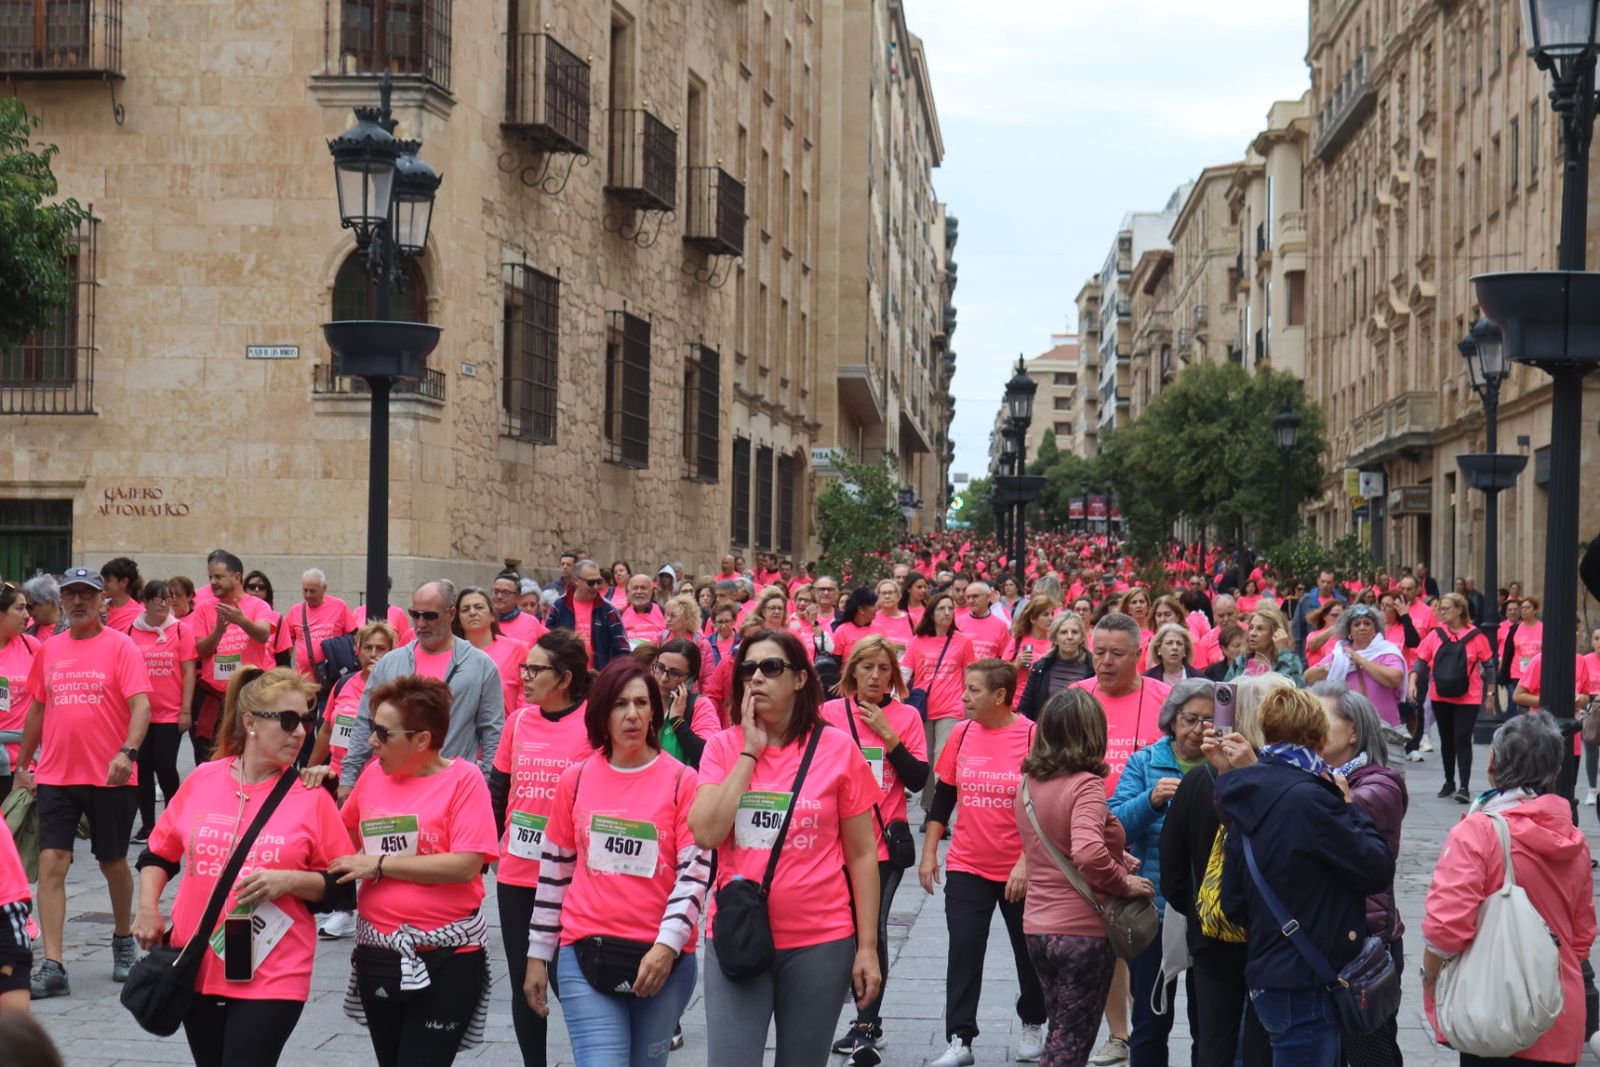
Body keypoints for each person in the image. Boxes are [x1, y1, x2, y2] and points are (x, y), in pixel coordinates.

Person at [132, 667, 352, 1067]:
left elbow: (342, 886)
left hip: (274, 968)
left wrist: (288, 880)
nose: (300, 732)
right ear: (250, 722)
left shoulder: (311, 795)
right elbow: (158, 855)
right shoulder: (203, 779)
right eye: (287, 721)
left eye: (306, 720)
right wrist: (148, 907)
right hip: (198, 961)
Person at [688, 628, 883, 1067]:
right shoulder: (722, 747)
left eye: (770, 667)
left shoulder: (837, 748)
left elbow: (862, 854)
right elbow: (705, 832)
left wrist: (867, 946)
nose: (756, 678)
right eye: (748, 669)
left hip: (821, 940)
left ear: (798, 679)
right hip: (738, 933)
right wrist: (749, 754)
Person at [523, 659, 711, 1067]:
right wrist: (538, 956)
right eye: (620, 704)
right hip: (585, 950)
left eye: (642, 703)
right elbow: (554, 873)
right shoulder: (575, 779)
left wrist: (666, 947)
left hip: (663, 958)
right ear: (601, 713)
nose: (632, 715)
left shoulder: (682, 781)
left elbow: (694, 874)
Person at [327, 675, 501, 1067]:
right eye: (372, 729)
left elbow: (467, 863)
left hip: (448, 954)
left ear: (421, 740)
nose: (372, 741)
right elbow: (340, 837)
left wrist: (382, 865)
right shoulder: (373, 775)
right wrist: (314, 793)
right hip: (378, 953)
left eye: (383, 733)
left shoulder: (464, 780)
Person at [1216, 688, 1395, 1066]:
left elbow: (1232, 902)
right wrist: (1348, 807)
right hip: (1308, 977)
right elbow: (1376, 867)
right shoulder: (1313, 798)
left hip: (1270, 971)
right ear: (1317, 737)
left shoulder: (1247, 791)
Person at [1421, 712, 1595, 1067]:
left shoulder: (1478, 831)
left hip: (1492, 1010)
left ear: (1493, 762)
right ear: (1556, 770)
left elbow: (1445, 929)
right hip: (1556, 1009)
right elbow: (1581, 937)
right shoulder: (1574, 840)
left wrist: (1430, 978)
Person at [13, 566, 150, 998]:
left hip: (110, 775)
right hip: (56, 773)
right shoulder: (49, 649)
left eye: (86, 595)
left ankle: (123, 940)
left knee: (113, 863)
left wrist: (127, 753)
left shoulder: (121, 646)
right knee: (53, 862)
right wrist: (23, 763)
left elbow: (141, 706)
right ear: (61, 600)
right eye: (70, 594)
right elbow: (37, 707)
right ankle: (53, 963)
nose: (77, 602)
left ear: (101, 601)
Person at [1020, 689, 1157, 1067]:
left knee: (1061, 1033)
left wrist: (1114, 855)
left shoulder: (1029, 781)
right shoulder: (1086, 784)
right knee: (1069, 1046)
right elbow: (1086, 852)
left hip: (1038, 927)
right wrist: (1121, 881)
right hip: (1080, 931)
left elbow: (1057, 844)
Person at [920, 659, 1044, 1067]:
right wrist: (929, 853)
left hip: (1019, 870)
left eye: (973, 690)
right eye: (965, 688)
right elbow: (944, 796)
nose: (964, 696)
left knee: (1029, 953)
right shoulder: (962, 732)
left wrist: (1026, 863)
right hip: (968, 863)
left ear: (1000, 696)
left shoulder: (1030, 735)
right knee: (964, 949)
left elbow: (1044, 806)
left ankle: (1032, 1021)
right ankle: (960, 1039)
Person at [485, 627, 594, 1067]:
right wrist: (488, 849)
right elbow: (499, 788)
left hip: (570, 876)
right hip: (517, 873)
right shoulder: (519, 721)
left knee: (568, 979)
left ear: (564, 678)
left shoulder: (591, 723)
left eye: (535, 669)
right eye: (524, 667)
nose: (523, 676)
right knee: (524, 982)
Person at [1158, 677, 1276, 1067]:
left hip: (1210, 931)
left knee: (1212, 1038)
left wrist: (1197, 909)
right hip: (1271, 933)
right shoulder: (1284, 780)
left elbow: (1172, 868)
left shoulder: (1196, 781)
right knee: (1263, 1039)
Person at [822, 635, 930, 1055]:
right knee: (841, 928)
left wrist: (889, 736)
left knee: (873, 929)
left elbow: (919, 779)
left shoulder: (906, 717)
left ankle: (867, 1023)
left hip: (883, 841)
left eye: (884, 669)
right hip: (833, 840)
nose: (875, 676)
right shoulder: (830, 712)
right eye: (867, 667)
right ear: (852, 670)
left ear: (894, 676)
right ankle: (846, 1006)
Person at [1110, 679, 1211, 1066]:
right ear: (1172, 720)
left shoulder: (1225, 762)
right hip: (1155, 911)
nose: (1198, 729)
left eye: (1207, 720)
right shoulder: (1146, 762)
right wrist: (1150, 800)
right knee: (1151, 1020)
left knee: (1210, 1023)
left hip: (1209, 912)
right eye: (1190, 719)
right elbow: (1115, 824)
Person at [1310, 682, 1407, 1067]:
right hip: (1326, 941)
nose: (1309, 729)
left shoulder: (1380, 785)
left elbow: (1324, 827)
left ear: (1353, 731)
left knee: (1370, 1057)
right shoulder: (1318, 778)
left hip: (1365, 949)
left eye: (1320, 720)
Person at [337, 580, 504, 797]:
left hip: (450, 790)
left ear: (451, 613)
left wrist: (485, 786)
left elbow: (492, 731)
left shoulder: (480, 665)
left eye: (430, 616)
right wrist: (349, 778)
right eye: (415, 614)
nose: (421, 623)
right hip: (392, 785)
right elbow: (364, 722)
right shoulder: (391, 662)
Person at [308, 620, 397, 942]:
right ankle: (343, 909)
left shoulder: (393, 687)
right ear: (357, 651)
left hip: (377, 775)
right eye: (368, 648)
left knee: (369, 841)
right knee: (337, 842)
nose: (373, 654)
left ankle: (378, 906)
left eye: (381, 649)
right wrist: (309, 766)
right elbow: (328, 729)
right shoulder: (343, 684)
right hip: (338, 772)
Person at [126, 579, 198, 843]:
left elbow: (189, 672)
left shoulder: (181, 631)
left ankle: (173, 818)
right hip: (141, 713)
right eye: (157, 598)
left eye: (168, 598)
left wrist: (186, 710)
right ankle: (147, 824)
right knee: (142, 768)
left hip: (171, 713)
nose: (164, 603)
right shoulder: (132, 632)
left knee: (165, 765)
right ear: (145, 603)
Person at [190, 551, 277, 764]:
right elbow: (200, 651)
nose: (212, 582)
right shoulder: (203, 609)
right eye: (210, 577)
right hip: (215, 696)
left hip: (248, 694)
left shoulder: (258, 606)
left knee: (247, 753)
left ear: (236, 577)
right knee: (209, 757)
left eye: (218, 577)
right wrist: (218, 632)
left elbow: (263, 634)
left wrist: (242, 621)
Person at [1072, 613, 1172, 793]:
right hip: (1082, 815)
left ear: (1137, 655)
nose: (1107, 661)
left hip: (1146, 816)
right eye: (1099, 652)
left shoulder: (1166, 699)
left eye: (1117, 653)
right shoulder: (1075, 697)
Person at [1410, 593, 1494, 803]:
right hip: (1440, 695)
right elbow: (1421, 660)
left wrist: (1490, 694)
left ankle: (1464, 786)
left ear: (1459, 610)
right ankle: (1449, 781)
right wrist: (1412, 680)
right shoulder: (1435, 634)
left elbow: (1490, 666)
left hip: (1469, 697)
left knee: (1462, 738)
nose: (1441, 612)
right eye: (1441, 608)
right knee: (1447, 740)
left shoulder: (1476, 636)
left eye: (1446, 608)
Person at [908, 591, 978, 814]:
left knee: (942, 759)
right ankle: (929, 808)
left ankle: (940, 813)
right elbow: (904, 672)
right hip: (924, 709)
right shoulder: (918, 641)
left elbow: (970, 675)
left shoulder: (963, 641)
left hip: (952, 708)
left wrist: (972, 704)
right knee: (926, 760)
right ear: (931, 613)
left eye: (950, 609)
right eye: (941, 608)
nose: (947, 612)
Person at [1304, 604, 1407, 742]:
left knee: (1381, 764)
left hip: (1384, 727)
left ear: (1375, 629)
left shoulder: (1388, 651)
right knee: (1356, 764)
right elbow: (1308, 678)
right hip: (1350, 728)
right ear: (1349, 632)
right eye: (1357, 624)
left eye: (1367, 623)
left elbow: (1395, 678)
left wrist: (1360, 660)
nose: (1362, 627)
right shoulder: (1340, 654)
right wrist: (1334, 666)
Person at [453, 586, 532, 721]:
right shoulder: (451, 654)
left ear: (492, 615)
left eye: (479, 607)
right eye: (465, 609)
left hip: (506, 732)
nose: (472, 613)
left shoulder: (517, 649)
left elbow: (531, 693)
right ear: (458, 620)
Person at [275, 569, 356, 682]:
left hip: (334, 676)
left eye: (313, 591)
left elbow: (353, 639)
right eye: (305, 590)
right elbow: (286, 647)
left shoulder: (340, 606)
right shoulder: (295, 611)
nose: (308, 595)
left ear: (324, 589)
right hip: (305, 680)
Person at [547, 560, 631, 669]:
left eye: (598, 581)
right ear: (576, 580)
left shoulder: (608, 609)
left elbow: (622, 647)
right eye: (591, 582)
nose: (595, 586)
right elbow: (547, 642)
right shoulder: (559, 606)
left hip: (599, 678)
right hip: (565, 676)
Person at [0, 586, 41, 799]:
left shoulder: (31, 645)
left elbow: (44, 699)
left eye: (27, 608)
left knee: (20, 829)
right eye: (20, 608)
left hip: (25, 760)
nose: (27, 615)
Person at [1017, 611, 1093, 722]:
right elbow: (1025, 710)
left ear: (1081, 637)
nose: (1070, 637)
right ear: (1054, 638)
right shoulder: (1040, 668)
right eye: (1063, 632)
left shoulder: (1093, 668)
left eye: (1075, 632)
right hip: (1046, 732)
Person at [652, 637, 719, 761]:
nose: (663, 679)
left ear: (690, 679)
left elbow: (709, 756)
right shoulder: (642, 701)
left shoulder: (700, 705)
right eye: (660, 668)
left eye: (674, 673)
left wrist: (678, 722)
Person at [1224, 607, 1303, 685]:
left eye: (1260, 629)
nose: (1252, 633)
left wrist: (1284, 653)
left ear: (1277, 633)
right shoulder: (1240, 662)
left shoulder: (1288, 662)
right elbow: (1224, 693)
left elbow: (1293, 691)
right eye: (1251, 628)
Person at [959, 582, 1013, 660]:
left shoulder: (1001, 626)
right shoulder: (957, 622)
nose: (971, 600)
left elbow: (1005, 659)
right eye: (968, 597)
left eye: (975, 596)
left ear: (988, 597)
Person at [832, 587, 880, 665]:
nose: (876, 608)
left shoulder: (879, 630)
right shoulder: (842, 630)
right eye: (873, 605)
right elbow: (835, 661)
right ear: (861, 609)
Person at [620, 573, 667, 648]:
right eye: (635, 588)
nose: (639, 592)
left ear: (651, 592)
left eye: (643, 588)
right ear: (628, 592)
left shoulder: (663, 612)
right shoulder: (620, 615)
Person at [99, 557, 143, 632]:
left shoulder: (139, 615)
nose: (103, 584)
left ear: (124, 582)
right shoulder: (99, 608)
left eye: (107, 580)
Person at [21, 575, 66, 643]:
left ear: (48, 603)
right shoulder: (27, 631)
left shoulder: (72, 631)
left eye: (30, 606)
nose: (27, 613)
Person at [1302, 600, 1345, 672]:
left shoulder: (1345, 637)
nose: (1339, 619)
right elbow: (1313, 646)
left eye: (1342, 616)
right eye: (1334, 615)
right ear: (1324, 616)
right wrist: (1334, 628)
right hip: (1317, 679)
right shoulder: (1313, 634)